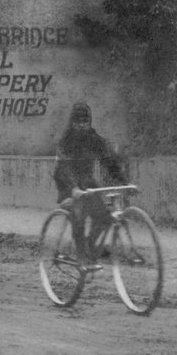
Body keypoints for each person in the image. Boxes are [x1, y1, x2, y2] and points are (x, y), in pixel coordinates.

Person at [53, 101, 127, 265]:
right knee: (78, 216)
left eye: (85, 122)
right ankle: (81, 256)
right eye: (78, 122)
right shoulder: (65, 141)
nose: (82, 126)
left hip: (88, 185)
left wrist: (123, 182)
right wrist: (73, 189)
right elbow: (62, 169)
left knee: (105, 218)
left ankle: (89, 245)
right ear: (72, 122)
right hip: (67, 185)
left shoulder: (94, 139)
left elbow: (108, 161)